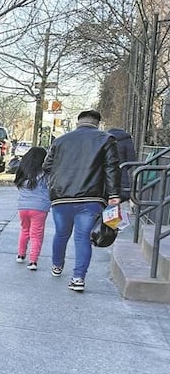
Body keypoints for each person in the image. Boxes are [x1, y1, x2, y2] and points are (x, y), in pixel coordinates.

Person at [42, 109, 121, 292]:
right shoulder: (106, 139)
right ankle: (78, 278)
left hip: (61, 197)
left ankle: (57, 265)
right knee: (83, 238)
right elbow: (111, 168)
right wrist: (114, 194)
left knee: (61, 234)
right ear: (98, 123)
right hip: (91, 197)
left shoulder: (60, 140)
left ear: (78, 122)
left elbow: (47, 166)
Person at [14, 147, 50, 270]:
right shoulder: (45, 174)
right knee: (36, 234)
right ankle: (33, 261)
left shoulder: (22, 172)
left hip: (23, 207)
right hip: (40, 207)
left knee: (24, 230)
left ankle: (20, 254)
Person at [106, 127, 135, 201]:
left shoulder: (105, 138)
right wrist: (124, 167)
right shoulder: (126, 139)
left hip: (107, 172)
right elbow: (131, 158)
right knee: (122, 195)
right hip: (122, 171)